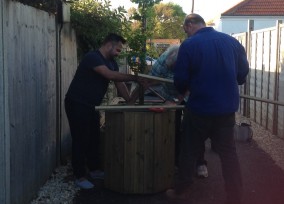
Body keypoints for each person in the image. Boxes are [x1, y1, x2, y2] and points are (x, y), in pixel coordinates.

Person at [166, 14, 249, 204]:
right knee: (229, 154)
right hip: (226, 109)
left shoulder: (189, 45)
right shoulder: (232, 42)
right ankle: (235, 196)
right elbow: (243, 72)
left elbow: (180, 80)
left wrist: (185, 90)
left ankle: (182, 190)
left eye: (185, 29)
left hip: (199, 108)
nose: (186, 33)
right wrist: (231, 82)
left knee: (189, 150)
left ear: (190, 25)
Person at [65, 33, 144, 189]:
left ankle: (94, 170)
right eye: (118, 50)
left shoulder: (112, 63)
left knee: (94, 137)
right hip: (77, 103)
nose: (118, 53)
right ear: (109, 45)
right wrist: (135, 78)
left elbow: (119, 83)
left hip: (92, 105)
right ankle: (79, 176)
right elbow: (108, 74)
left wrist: (130, 100)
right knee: (80, 139)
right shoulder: (92, 57)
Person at [148, 45, 208, 177]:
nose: (172, 69)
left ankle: (200, 163)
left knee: (193, 128)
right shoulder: (163, 61)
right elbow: (148, 80)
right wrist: (131, 99)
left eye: (175, 67)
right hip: (169, 94)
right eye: (171, 67)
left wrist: (176, 101)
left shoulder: (192, 63)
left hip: (189, 95)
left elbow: (190, 87)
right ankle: (175, 162)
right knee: (172, 127)